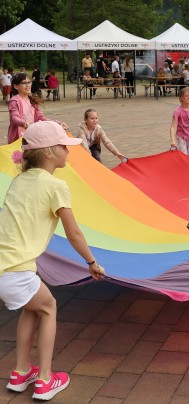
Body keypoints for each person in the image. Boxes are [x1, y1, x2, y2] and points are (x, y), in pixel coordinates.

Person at [0, 121, 105, 401]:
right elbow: (73, 232)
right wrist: (92, 262)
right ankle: (45, 379)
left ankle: (21, 372)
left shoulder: (18, 180)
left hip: (4, 267)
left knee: (32, 308)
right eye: (63, 147)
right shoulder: (56, 186)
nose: (68, 152)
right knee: (48, 307)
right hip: (15, 270)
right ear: (48, 153)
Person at [7, 73, 69, 144]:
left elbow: (40, 117)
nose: (28, 85)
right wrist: (23, 123)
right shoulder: (14, 101)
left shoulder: (33, 100)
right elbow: (14, 118)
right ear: (16, 86)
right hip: (18, 139)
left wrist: (57, 123)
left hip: (31, 137)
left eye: (29, 82)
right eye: (24, 83)